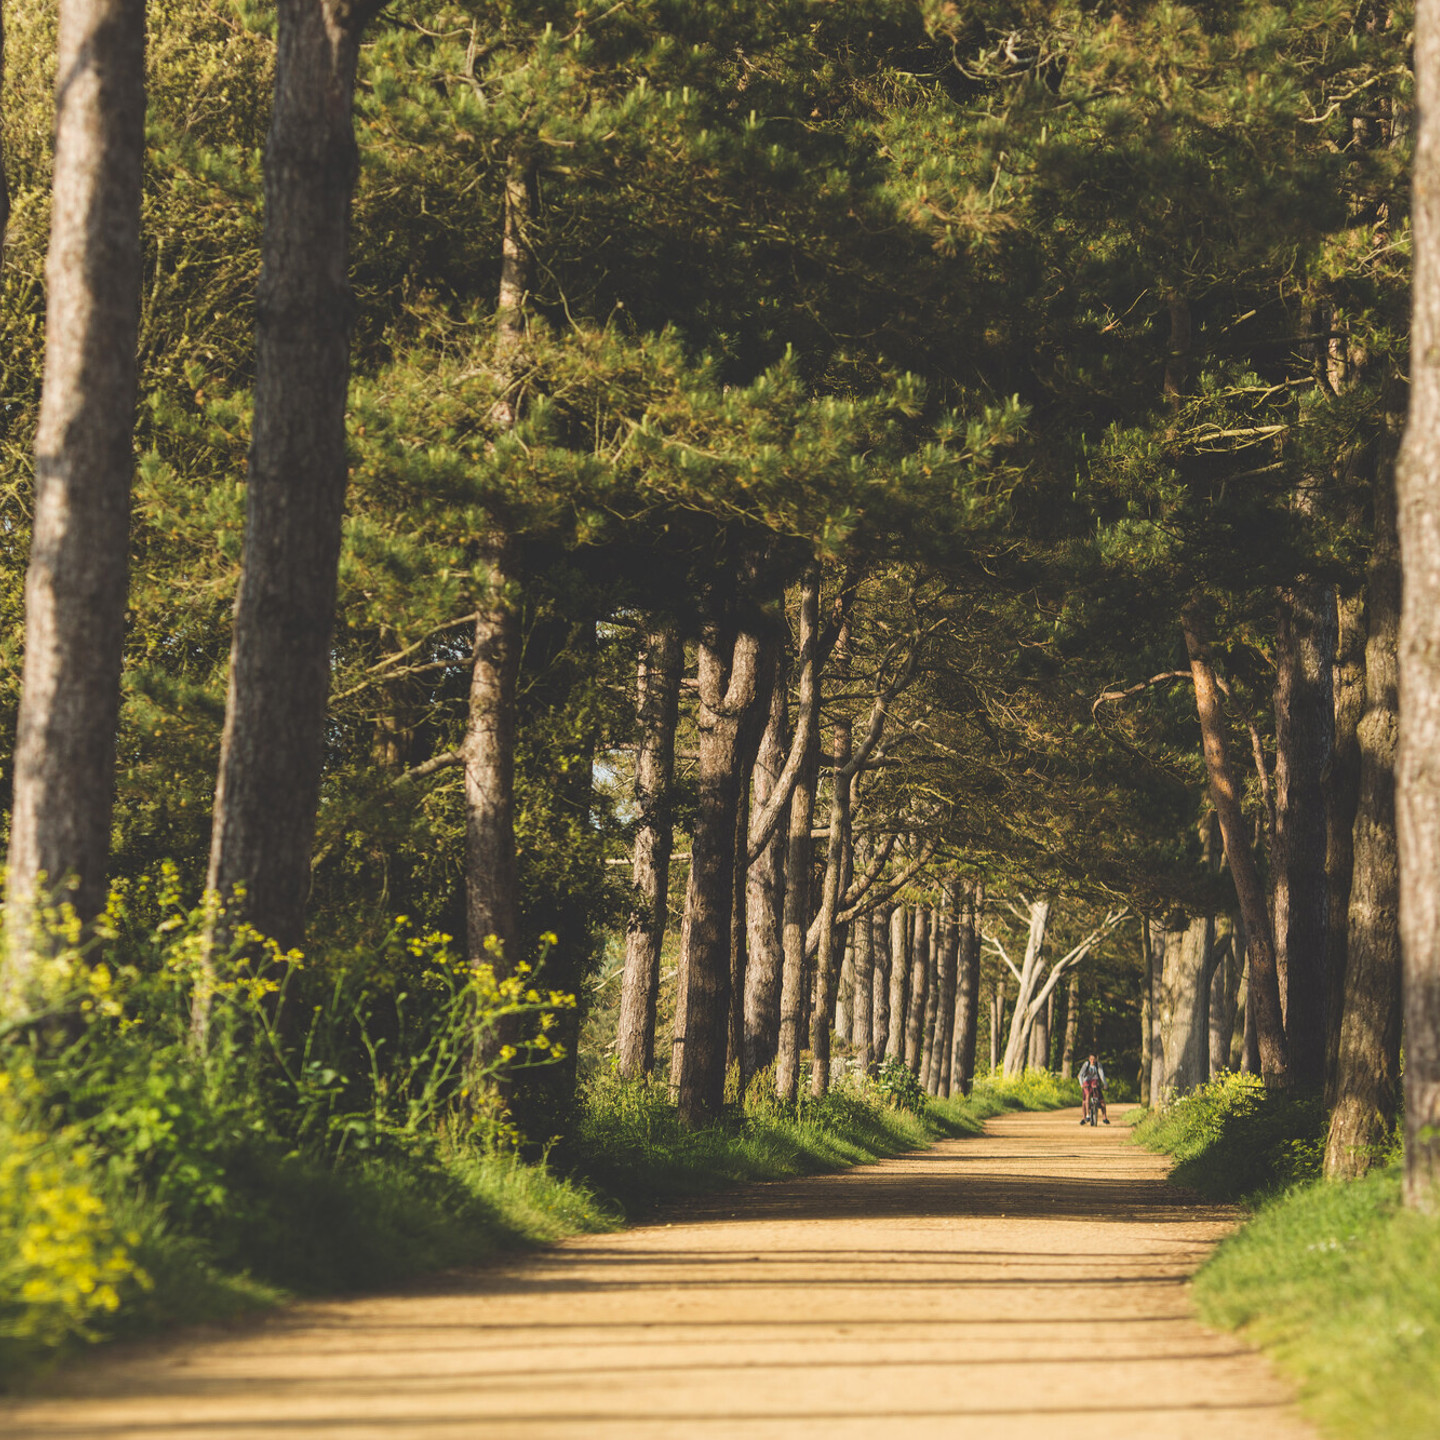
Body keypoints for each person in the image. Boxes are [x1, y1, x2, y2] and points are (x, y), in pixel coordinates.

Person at [1077, 1053, 1109, 1125]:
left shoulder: (1098, 1065)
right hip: (1086, 1081)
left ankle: (1105, 1117)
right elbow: (1080, 1075)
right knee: (1086, 1096)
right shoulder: (1086, 1065)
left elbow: (1101, 1075)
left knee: (1101, 1100)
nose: (1092, 1061)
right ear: (1089, 1059)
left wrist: (1105, 1084)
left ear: (1096, 1059)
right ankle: (1086, 1116)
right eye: (1091, 1059)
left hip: (1094, 1081)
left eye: (1094, 1059)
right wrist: (1082, 1084)